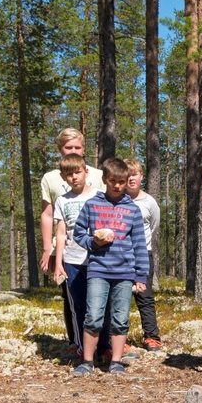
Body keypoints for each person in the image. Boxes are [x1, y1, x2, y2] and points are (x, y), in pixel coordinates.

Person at [70, 157, 148, 376]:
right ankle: (87, 361)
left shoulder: (132, 209)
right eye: (113, 180)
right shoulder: (92, 204)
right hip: (98, 270)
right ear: (104, 179)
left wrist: (141, 275)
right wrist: (93, 243)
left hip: (124, 272)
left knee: (120, 318)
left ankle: (116, 362)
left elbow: (140, 245)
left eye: (122, 181)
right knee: (93, 315)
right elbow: (78, 233)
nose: (117, 185)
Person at [40, 129, 104, 361]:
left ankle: (105, 343)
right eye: (68, 148)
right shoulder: (50, 178)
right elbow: (49, 216)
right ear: (60, 149)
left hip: (98, 252)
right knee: (72, 299)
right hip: (68, 250)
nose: (73, 151)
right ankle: (75, 342)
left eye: (77, 147)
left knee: (101, 297)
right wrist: (48, 249)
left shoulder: (98, 175)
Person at [51, 154, 96, 364]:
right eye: (69, 174)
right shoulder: (62, 200)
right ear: (63, 177)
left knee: (99, 305)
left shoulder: (99, 196)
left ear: (86, 171)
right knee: (77, 306)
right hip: (72, 260)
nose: (74, 177)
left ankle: (103, 347)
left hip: (98, 260)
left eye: (77, 172)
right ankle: (80, 347)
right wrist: (58, 263)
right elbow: (60, 233)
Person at [123, 158, 163, 351]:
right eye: (128, 175)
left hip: (143, 255)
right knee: (119, 298)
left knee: (144, 297)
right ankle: (118, 338)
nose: (131, 179)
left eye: (135, 174)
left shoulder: (149, 202)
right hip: (119, 256)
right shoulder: (117, 199)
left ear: (141, 176)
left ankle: (152, 337)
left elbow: (154, 226)